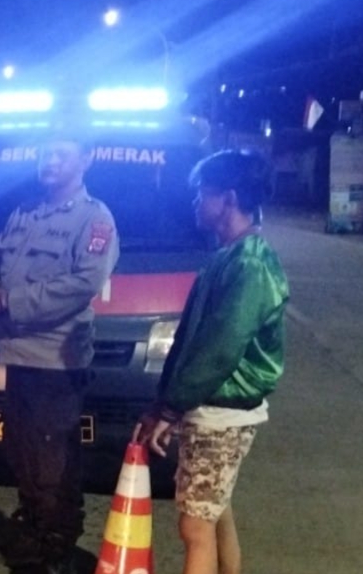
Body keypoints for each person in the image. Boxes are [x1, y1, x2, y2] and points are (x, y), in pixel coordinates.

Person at [134, 150, 289, 574]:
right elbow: (190, 340)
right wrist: (163, 404)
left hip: (222, 411)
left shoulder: (250, 264)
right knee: (215, 513)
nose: (196, 201)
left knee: (194, 527)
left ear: (229, 198)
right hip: (214, 406)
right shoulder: (231, 255)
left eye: (204, 192)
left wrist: (171, 408)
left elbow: (219, 348)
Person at [0, 133, 119, 570]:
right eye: (44, 152)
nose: (49, 160)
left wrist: (13, 301)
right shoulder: (26, 211)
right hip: (16, 354)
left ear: (86, 159)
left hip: (56, 360)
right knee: (21, 449)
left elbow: (83, 283)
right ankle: (33, 527)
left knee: (52, 457)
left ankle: (56, 544)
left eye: (61, 153)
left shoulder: (94, 219)